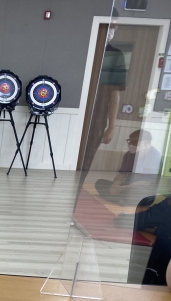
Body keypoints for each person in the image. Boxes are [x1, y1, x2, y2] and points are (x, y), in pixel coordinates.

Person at [76, 7, 127, 203]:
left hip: (97, 119)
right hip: (79, 113)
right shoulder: (83, 48)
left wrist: (111, 126)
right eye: (109, 25)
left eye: (115, 26)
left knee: (85, 163)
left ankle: (74, 200)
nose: (112, 30)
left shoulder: (115, 55)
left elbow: (115, 94)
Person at [95, 130, 161, 205]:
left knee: (136, 191)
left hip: (142, 188)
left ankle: (120, 199)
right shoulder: (129, 154)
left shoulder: (155, 156)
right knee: (100, 183)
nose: (131, 144)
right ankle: (122, 199)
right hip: (127, 186)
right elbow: (121, 174)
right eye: (130, 141)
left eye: (135, 142)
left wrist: (123, 188)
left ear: (146, 143)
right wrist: (116, 185)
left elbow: (147, 182)